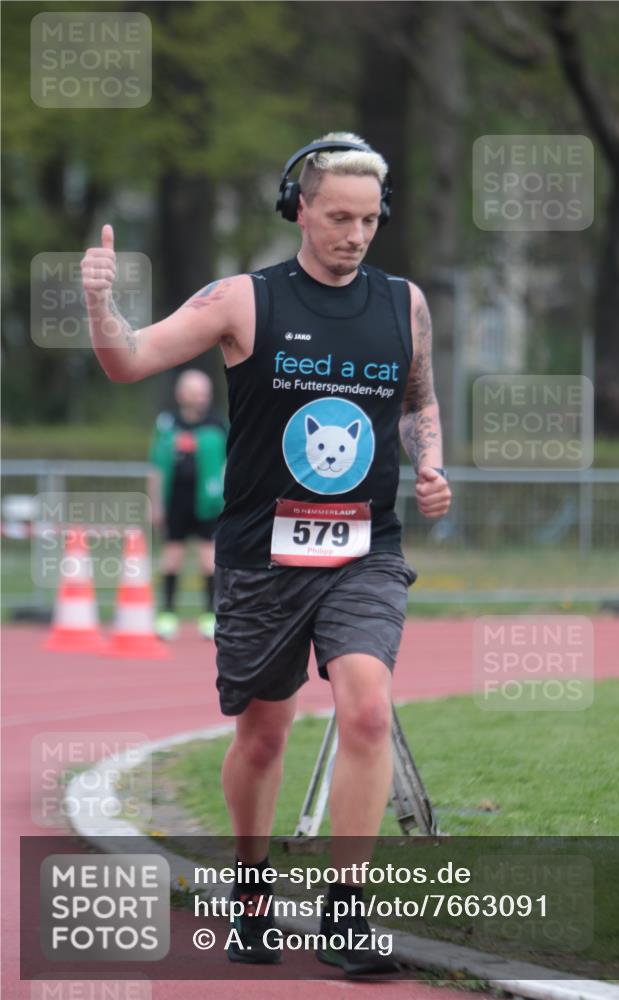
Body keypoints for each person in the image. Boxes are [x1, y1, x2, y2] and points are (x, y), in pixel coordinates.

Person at [82, 132, 452, 976]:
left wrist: (429, 463)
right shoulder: (241, 301)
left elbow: (419, 400)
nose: (354, 235)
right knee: (262, 733)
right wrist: (101, 307)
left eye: (368, 220)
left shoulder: (405, 304)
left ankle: (345, 916)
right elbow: (127, 361)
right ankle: (250, 891)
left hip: (364, 548)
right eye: (336, 217)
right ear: (298, 209)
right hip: (262, 555)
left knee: (365, 708)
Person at [148, 368, 227, 641]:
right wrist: (155, 503)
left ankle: (209, 616)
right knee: (172, 557)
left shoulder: (218, 424)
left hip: (208, 500)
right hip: (176, 500)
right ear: (181, 394)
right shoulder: (168, 424)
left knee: (209, 559)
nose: (200, 398)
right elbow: (156, 467)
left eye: (204, 392)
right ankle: (167, 616)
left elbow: (230, 463)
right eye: (194, 392)